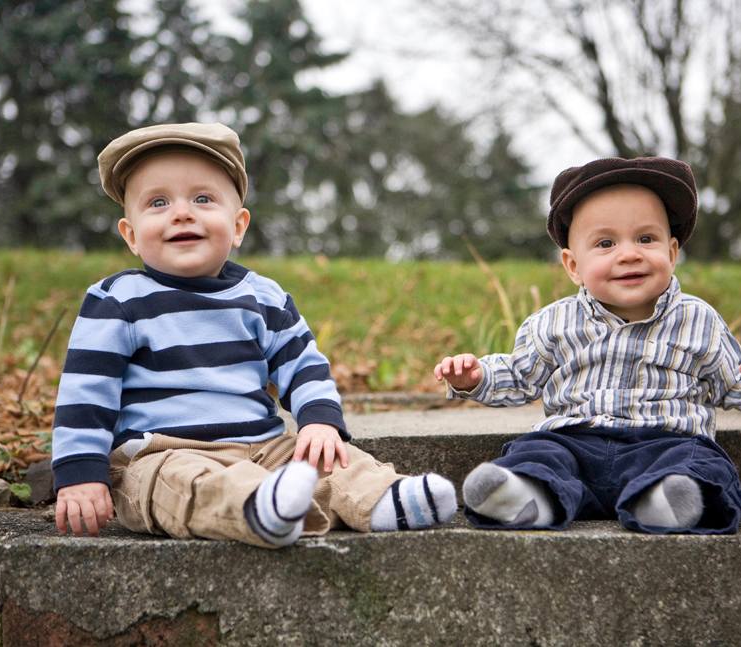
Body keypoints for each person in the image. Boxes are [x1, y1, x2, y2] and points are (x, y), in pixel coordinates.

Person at [52, 122, 456, 547]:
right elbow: (86, 394)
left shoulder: (263, 297)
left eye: (203, 198)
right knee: (177, 484)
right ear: (131, 236)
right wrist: (80, 473)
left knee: (328, 458)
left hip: (263, 447)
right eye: (158, 202)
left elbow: (303, 365)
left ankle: (384, 500)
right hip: (162, 452)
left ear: (239, 225)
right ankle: (257, 508)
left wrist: (319, 422)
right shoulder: (118, 300)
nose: (182, 212)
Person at [434, 157, 741, 535]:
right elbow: (519, 375)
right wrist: (476, 377)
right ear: (573, 265)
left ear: (672, 253)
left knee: (702, 462)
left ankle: (666, 502)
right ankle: (527, 497)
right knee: (536, 452)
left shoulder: (698, 320)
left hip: (665, 444)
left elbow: (730, 385)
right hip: (573, 442)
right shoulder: (553, 322)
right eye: (606, 243)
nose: (629, 254)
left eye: (646, 239)